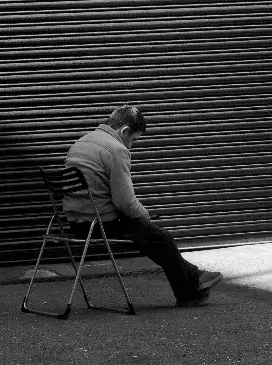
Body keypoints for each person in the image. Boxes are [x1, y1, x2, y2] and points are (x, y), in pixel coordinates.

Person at [63, 103, 222, 306]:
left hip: (76, 223)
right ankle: (189, 292)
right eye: (133, 140)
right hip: (98, 225)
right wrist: (144, 214)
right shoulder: (116, 150)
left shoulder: (82, 142)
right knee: (161, 237)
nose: (131, 145)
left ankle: (195, 277)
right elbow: (125, 203)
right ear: (125, 131)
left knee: (150, 236)